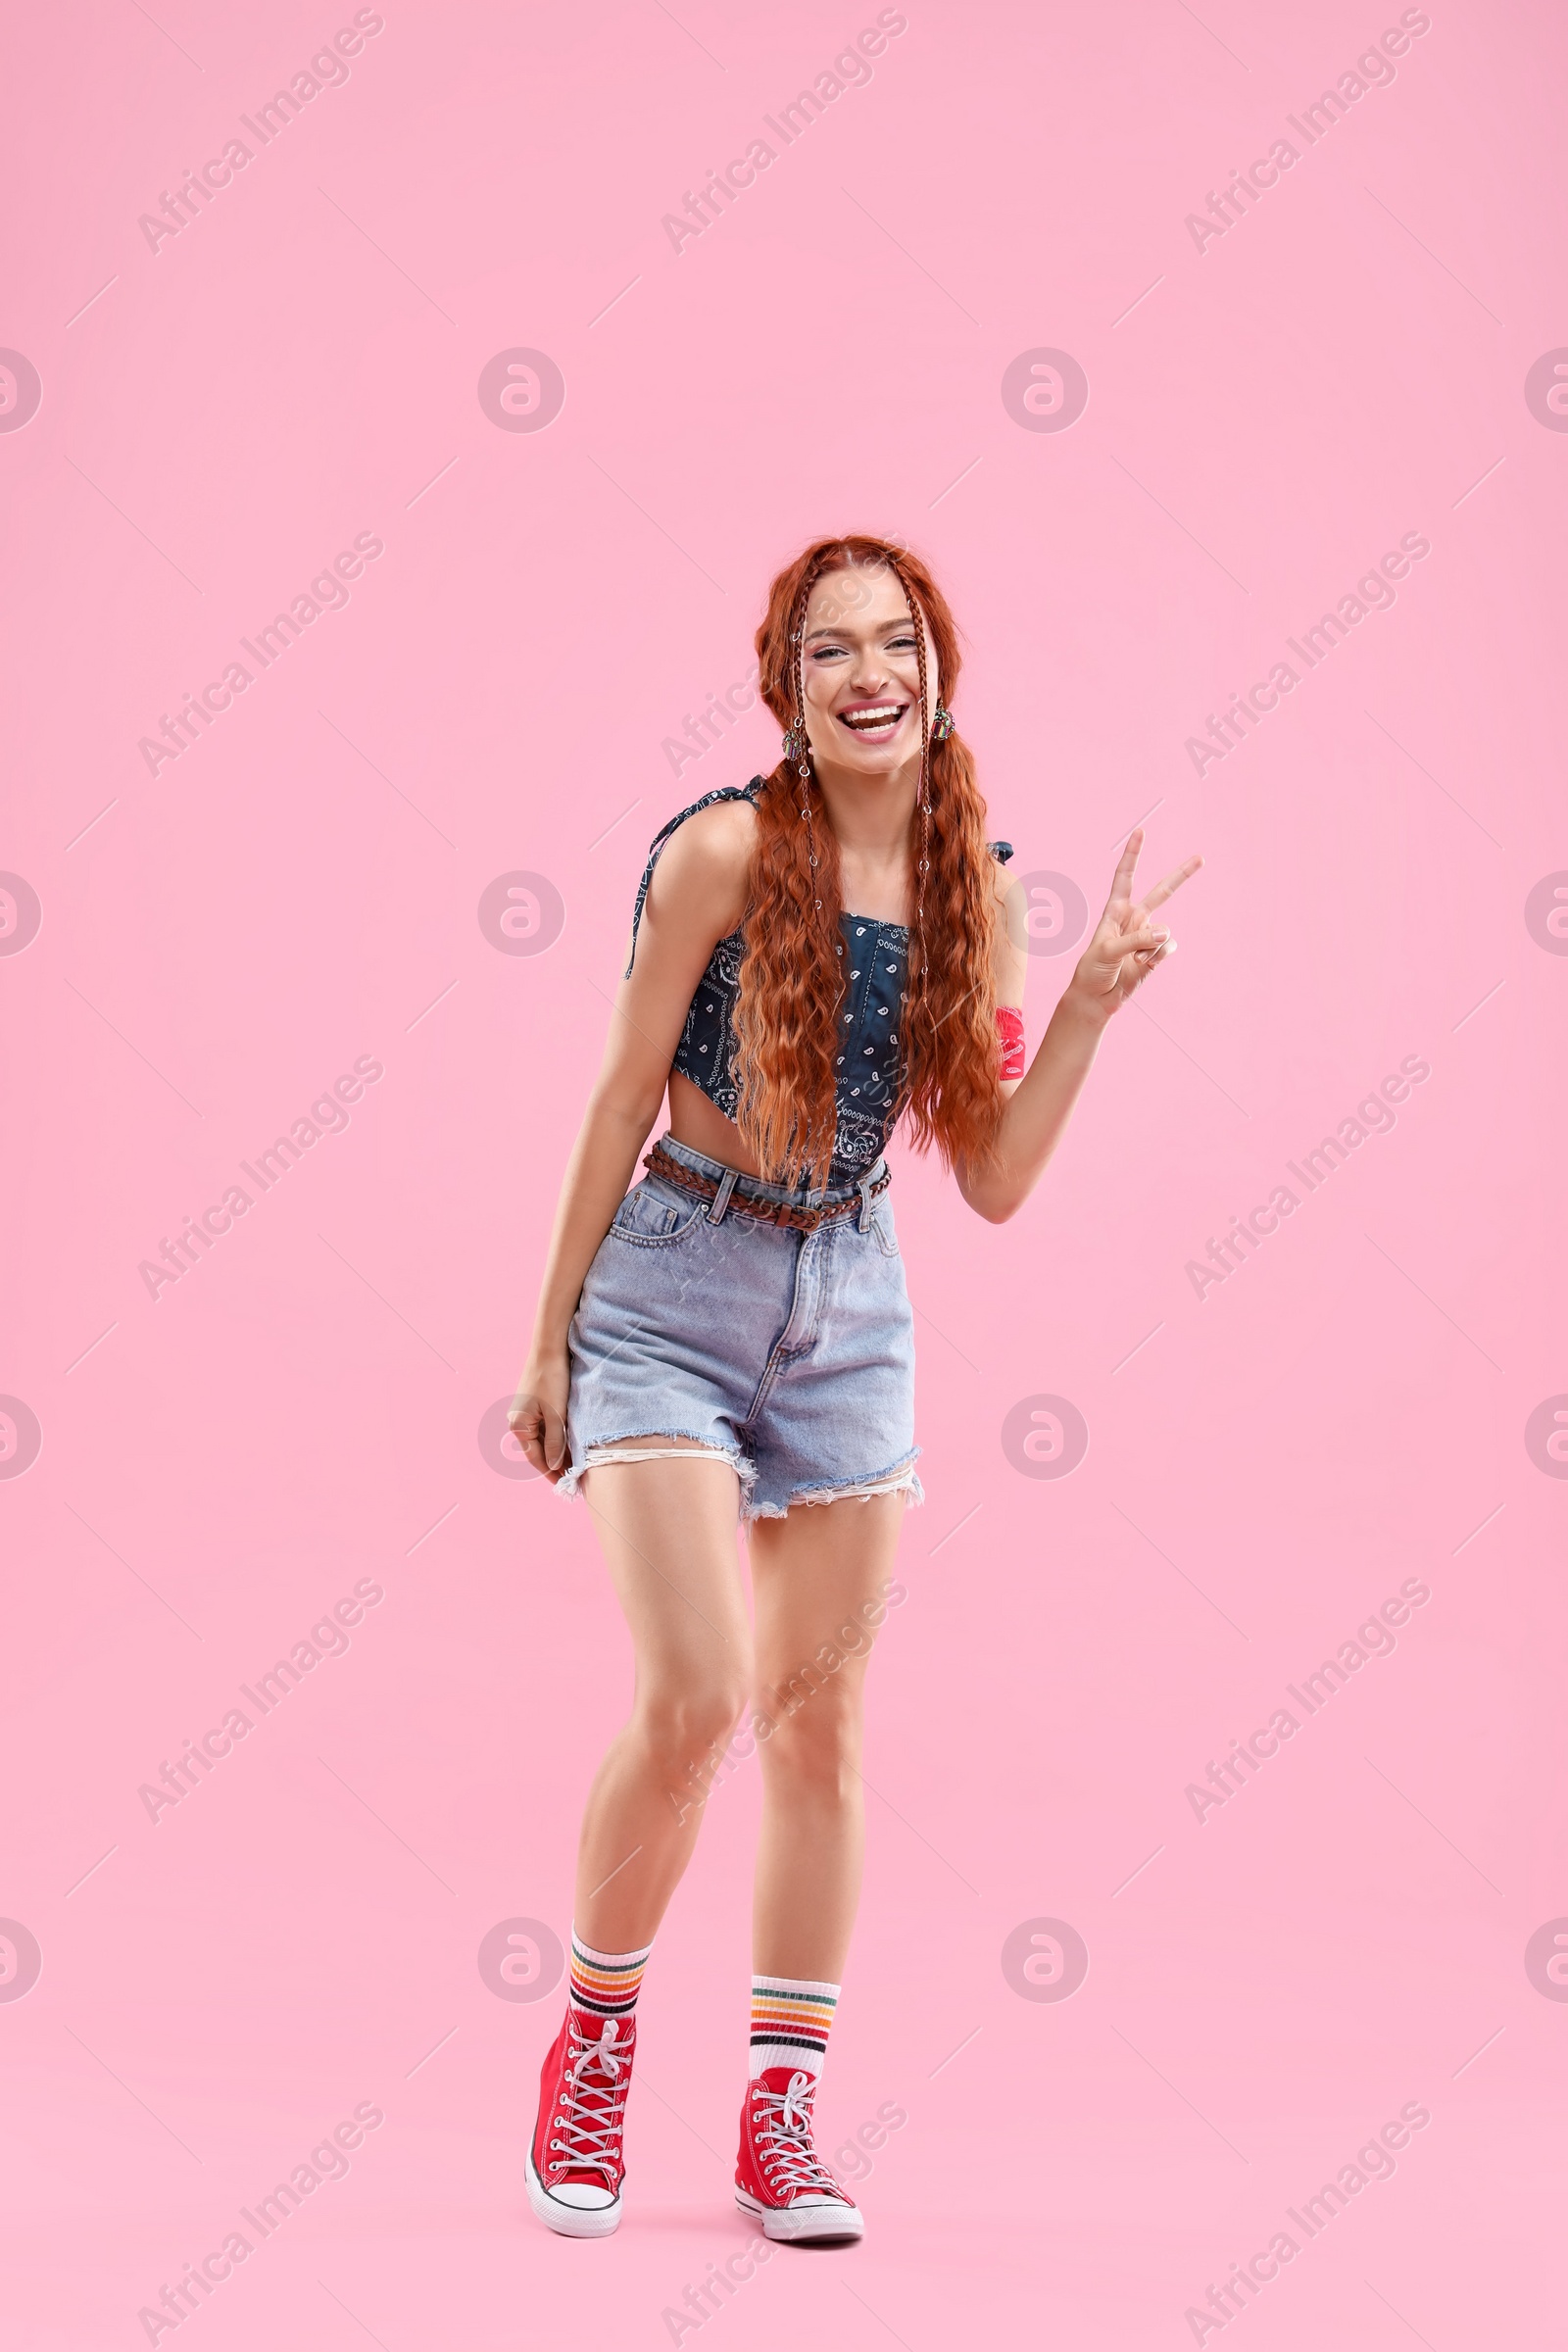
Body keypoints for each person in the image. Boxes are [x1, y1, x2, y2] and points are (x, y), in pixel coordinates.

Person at [508, 533, 1200, 2243]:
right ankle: (594, 2040)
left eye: (898, 643)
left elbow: (992, 1181)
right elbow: (616, 1100)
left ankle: (782, 2119)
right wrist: (545, 1342)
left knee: (818, 1733)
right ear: (788, 688)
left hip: (853, 1314)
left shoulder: (983, 892)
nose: (871, 672)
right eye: (833, 650)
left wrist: (1094, 1010)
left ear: (940, 670)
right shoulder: (724, 853)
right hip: (671, 1286)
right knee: (696, 1694)